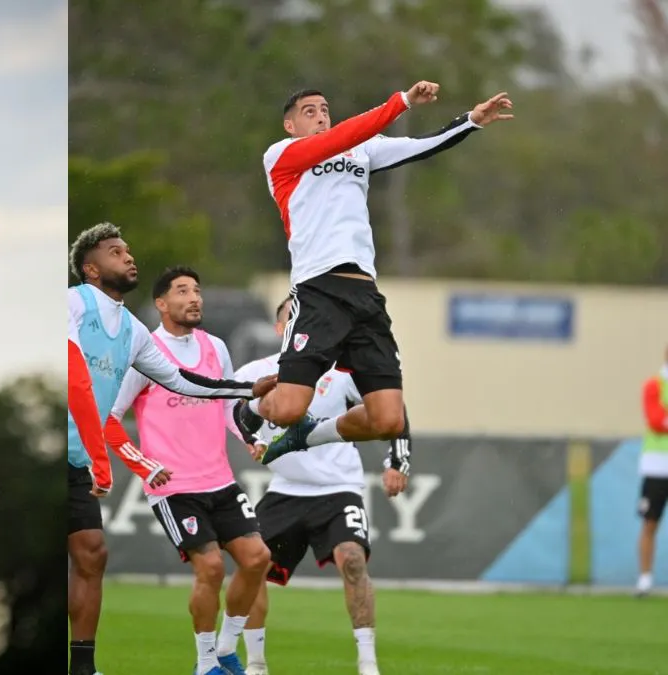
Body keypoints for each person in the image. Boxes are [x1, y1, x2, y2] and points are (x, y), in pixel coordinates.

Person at [238, 81, 512, 465]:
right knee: (286, 409)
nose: (321, 116)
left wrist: (471, 121)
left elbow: (420, 146)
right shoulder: (281, 156)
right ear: (289, 126)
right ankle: (249, 411)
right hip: (319, 290)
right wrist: (400, 102)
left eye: (324, 109)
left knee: (387, 419)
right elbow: (350, 133)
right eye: (309, 112)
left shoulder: (360, 149)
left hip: (364, 294)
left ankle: (308, 436)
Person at [67, 223, 270, 675]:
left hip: (216, 478)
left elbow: (192, 385)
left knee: (258, 559)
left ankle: (225, 650)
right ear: (91, 269)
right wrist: (139, 464)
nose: (194, 297)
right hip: (173, 486)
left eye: (197, 290)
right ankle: (204, 664)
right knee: (211, 568)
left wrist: (249, 400)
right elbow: (102, 408)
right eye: (116, 252)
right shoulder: (75, 303)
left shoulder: (161, 338)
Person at [230, 297, 413, 675]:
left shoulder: (339, 370)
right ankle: (257, 663)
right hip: (287, 488)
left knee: (352, 559)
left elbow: (391, 410)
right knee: (252, 568)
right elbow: (232, 413)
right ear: (283, 329)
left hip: (338, 487)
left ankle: (367, 663)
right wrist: (250, 436)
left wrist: (396, 460)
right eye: (292, 320)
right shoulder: (256, 372)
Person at [637, 347, 668, 597]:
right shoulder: (654, 385)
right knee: (650, 523)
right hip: (657, 466)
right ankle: (645, 578)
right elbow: (656, 421)